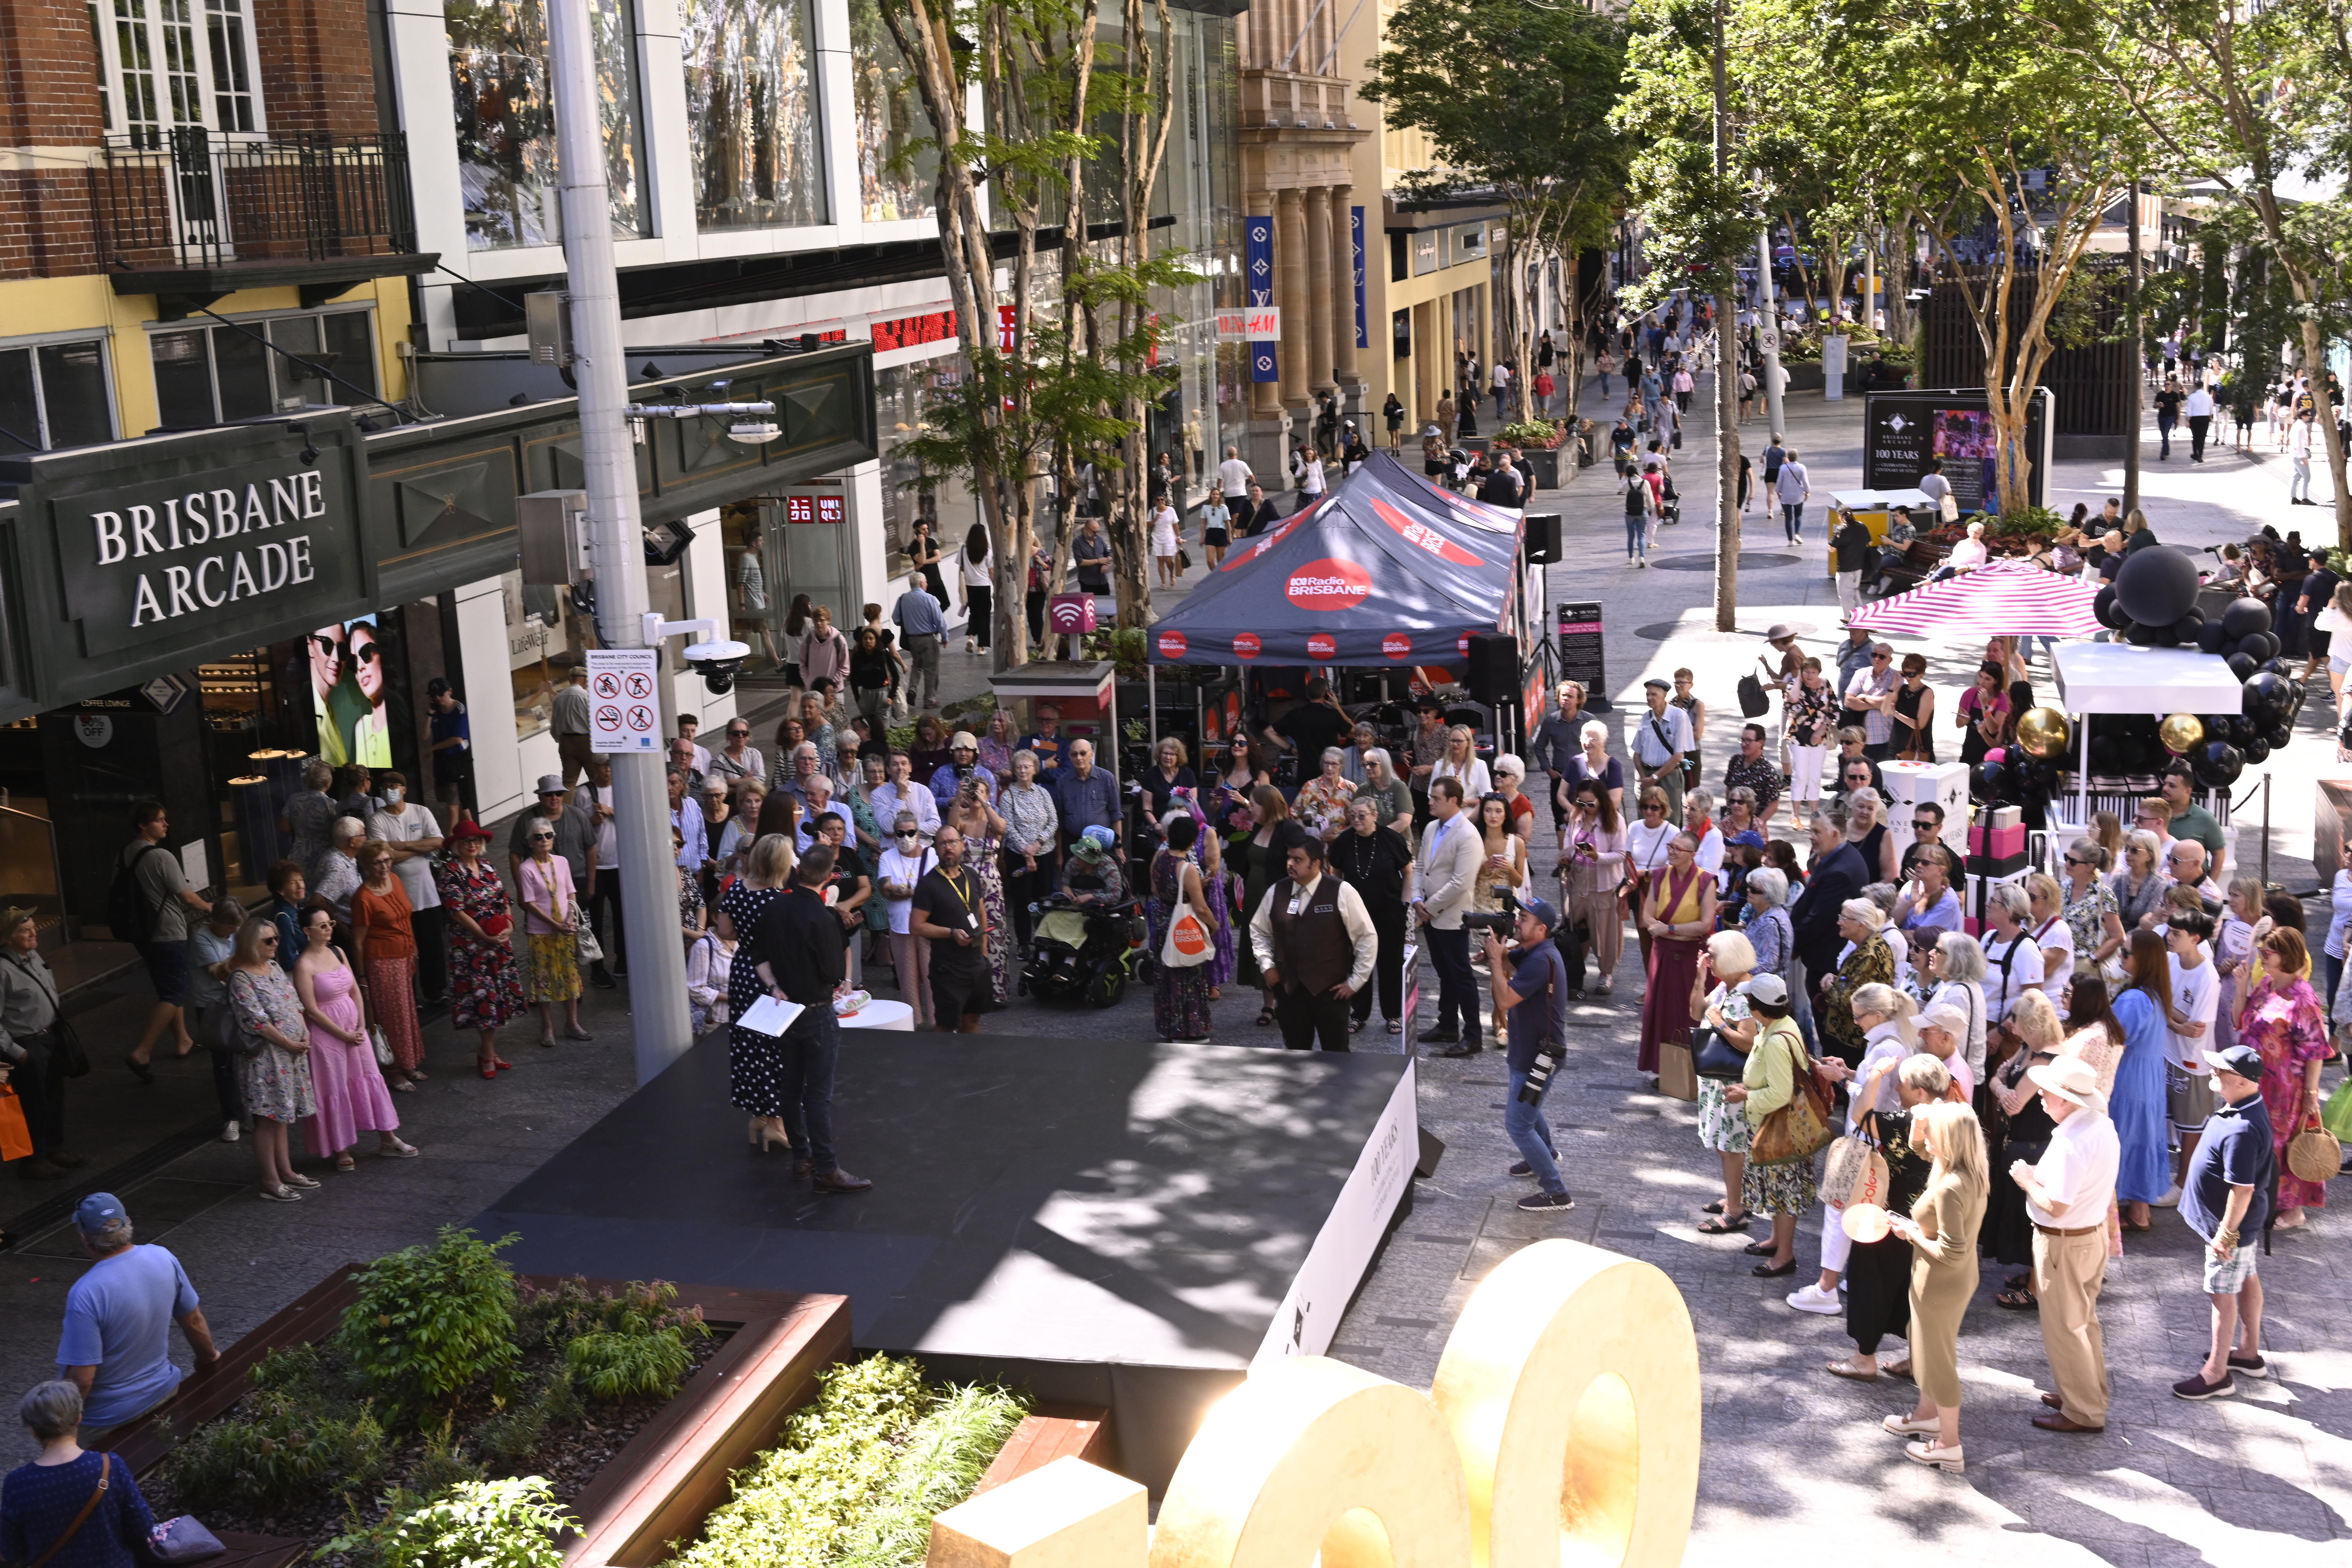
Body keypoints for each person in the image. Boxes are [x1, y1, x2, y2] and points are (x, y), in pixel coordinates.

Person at [2005, 1053, 2122, 1433]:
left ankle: (2083, 1411)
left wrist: (2026, 1179)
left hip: (2064, 1244)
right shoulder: (2100, 1126)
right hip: (2089, 1237)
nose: (2041, 1095)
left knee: (2065, 1327)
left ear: (2069, 1099)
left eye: (2049, 1091)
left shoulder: (2074, 1140)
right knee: (2084, 1323)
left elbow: (2055, 1205)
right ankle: (2084, 1393)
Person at [749, 846, 870, 1192]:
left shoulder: (775, 907)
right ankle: (827, 1168)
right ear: (831, 876)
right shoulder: (823, 917)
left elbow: (757, 953)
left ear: (799, 870)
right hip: (816, 1013)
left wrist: (774, 986)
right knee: (817, 1095)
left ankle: (802, 1157)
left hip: (784, 1011)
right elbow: (833, 972)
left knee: (791, 1087)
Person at [48, 1192, 218, 1432]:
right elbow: (194, 1320)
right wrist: (209, 1358)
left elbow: (82, 1380)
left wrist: (62, 1432)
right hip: (165, 1390)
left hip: (108, 1418)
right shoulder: (162, 1257)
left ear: (84, 1237)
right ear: (127, 1222)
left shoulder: (87, 1292)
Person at [1883, 1100, 1987, 1471]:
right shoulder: (1970, 1172)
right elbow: (1918, 1149)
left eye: (1933, 1133)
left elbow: (1951, 1251)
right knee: (1925, 1343)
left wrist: (1910, 1233)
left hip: (1941, 1281)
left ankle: (1949, 1444)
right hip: (1954, 1280)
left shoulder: (1949, 1187)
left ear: (1951, 1139)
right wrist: (1920, 1121)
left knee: (1937, 1360)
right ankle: (1927, 1415)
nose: (1927, 1139)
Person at [2173, 1042, 2274, 1398]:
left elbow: (2242, 1189)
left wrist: (2225, 1236)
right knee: (2246, 1278)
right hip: (2235, 1225)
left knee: (2221, 1291)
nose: (2213, 1071)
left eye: (2221, 1069)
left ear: (2244, 1081)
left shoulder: (2243, 1128)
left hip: (2230, 1227)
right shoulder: (2242, 1108)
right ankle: (2248, 1354)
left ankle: (2216, 1373)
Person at [289, 903, 415, 1171]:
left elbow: (355, 990)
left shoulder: (338, 951)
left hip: (353, 1030)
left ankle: (388, 1138)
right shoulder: (304, 964)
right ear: (307, 931)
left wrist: (360, 1024)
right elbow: (310, 1009)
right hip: (328, 1035)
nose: (329, 930)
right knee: (334, 1087)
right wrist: (343, 1035)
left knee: (369, 1077)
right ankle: (341, 1148)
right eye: (322, 926)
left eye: (331, 924)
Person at [4, 1379, 166, 1567]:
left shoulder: (18, 1483)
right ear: (79, 1418)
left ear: (33, 1431)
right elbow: (142, 1527)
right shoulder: (111, 1466)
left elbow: (9, 1550)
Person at [2235, 927, 2329, 1226]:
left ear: (2286, 956)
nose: (2262, 958)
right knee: (2260, 1143)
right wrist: (2240, 988)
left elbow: (2316, 1051)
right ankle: (2262, 1200)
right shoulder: (2266, 984)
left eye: (2267, 953)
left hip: (2285, 1090)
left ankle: (2293, 1209)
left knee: (2283, 1147)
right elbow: (2241, 1020)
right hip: (2256, 1083)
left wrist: (2311, 1096)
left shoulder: (2304, 998)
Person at [1249, 836, 1378, 1053]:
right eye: (1289, 858)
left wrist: (1356, 982)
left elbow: (1367, 937)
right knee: (1296, 1055)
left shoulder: (1342, 891)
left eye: (1298, 859)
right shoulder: (1276, 891)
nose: (1290, 864)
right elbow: (1259, 930)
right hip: (1289, 991)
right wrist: (1267, 965)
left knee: (1337, 1056)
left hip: (1331, 993)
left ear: (1316, 864)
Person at [1722, 974, 1813, 1275]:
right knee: (1778, 1189)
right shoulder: (1784, 1025)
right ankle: (1776, 1240)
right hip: (1780, 1125)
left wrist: (1744, 1094)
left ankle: (1784, 1256)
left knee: (1784, 1193)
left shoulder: (1775, 1040)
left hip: (1782, 1129)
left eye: (1750, 1002)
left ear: (1759, 1008)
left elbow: (1780, 1093)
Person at [117, 801, 212, 1079]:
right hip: (168, 932)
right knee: (175, 992)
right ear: (143, 825)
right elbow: (187, 897)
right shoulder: (162, 857)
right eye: (159, 820)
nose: (166, 824)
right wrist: (210, 908)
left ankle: (183, 1040)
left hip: (142, 933)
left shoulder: (124, 855)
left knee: (168, 989)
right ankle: (142, 1051)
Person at [225, 915, 317, 1199]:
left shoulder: (274, 968)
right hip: (266, 1059)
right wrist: (288, 1042)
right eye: (269, 940)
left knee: (282, 1114)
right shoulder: (241, 978)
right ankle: (270, 1180)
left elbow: (295, 1002)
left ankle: (286, 1172)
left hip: (290, 1055)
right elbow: (256, 1021)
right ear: (252, 943)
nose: (276, 943)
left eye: (276, 938)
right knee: (267, 1117)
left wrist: (304, 1033)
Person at [1691, 931, 1763, 1236]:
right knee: (1726, 1146)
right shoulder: (1725, 987)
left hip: (1735, 1086)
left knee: (1732, 1147)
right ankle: (1738, 1197)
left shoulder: (1746, 994)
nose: (1708, 958)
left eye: (1713, 954)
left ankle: (1736, 1211)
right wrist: (1700, 976)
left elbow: (1750, 1041)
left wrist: (1720, 1024)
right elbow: (1696, 1012)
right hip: (1719, 1083)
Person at [1330, 797, 1412, 1036]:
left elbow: (1407, 871)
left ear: (1375, 816)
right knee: (1358, 962)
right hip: (1355, 914)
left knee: (1390, 964)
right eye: (1352, 815)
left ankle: (1393, 1015)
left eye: (1362, 815)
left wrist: (1404, 903)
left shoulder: (1390, 839)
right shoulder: (1345, 840)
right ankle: (1358, 1014)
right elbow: (1335, 871)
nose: (1356, 820)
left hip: (1389, 911)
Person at [1414, 779, 1484, 1053]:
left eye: (1436, 798)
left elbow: (1462, 883)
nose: (1430, 801)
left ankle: (1474, 1035)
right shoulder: (1432, 828)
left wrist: (1429, 908)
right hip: (1430, 913)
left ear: (1454, 801)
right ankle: (1447, 1026)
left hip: (1452, 917)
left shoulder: (1468, 835)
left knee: (1461, 976)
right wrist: (1418, 899)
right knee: (1445, 973)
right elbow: (1420, 866)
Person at [349, 843, 423, 1088]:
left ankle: (407, 1064)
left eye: (386, 860)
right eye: (377, 863)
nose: (383, 866)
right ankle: (394, 1071)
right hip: (382, 964)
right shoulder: (363, 898)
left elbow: (406, 918)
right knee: (391, 1017)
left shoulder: (395, 879)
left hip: (403, 958)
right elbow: (358, 942)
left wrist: (413, 950)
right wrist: (362, 978)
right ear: (367, 866)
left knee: (406, 1012)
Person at [910, 825, 995, 1034]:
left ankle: (971, 1063)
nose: (949, 848)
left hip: (976, 964)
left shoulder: (972, 875)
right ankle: (942, 1064)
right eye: (943, 844)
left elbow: (980, 911)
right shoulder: (928, 884)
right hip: (948, 970)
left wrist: (983, 952)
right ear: (936, 849)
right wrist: (951, 933)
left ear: (962, 845)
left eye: (953, 842)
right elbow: (916, 926)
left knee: (973, 1019)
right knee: (946, 1027)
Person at [517, 816, 587, 1047]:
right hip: (541, 933)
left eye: (548, 836)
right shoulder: (526, 868)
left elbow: (571, 892)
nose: (544, 840)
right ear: (530, 842)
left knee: (570, 976)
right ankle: (547, 1027)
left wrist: (568, 919)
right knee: (543, 979)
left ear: (553, 839)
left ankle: (573, 1023)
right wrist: (554, 924)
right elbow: (530, 903)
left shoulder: (562, 862)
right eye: (538, 837)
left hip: (565, 929)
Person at [1557, 781, 1629, 1000]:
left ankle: (1606, 973)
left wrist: (1599, 857)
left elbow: (1621, 854)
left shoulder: (1615, 821)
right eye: (1581, 802)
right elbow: (1569, 840)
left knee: (1605, 931)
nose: (1585, 807)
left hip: (1604, 884)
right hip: (1578, 880)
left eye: (1590, 803)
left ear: (1601, 801)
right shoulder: (1576, 817)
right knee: (1573, 927)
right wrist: (1566, 856)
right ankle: (1574, 972)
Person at [1150, 814, 1217, 1043]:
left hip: (1163, 919)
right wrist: (1214, 925)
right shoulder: (1187, 868)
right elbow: (1201, 907)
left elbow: (1155, 890)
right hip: (1184, 923)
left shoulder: (1160, 858)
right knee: (1189, 974)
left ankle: (1170, 1027)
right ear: (1192, 842)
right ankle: (1189, 1031)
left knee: (1167, 972)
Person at [876, 814, 938, 1028]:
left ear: (918, 834)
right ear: (894, 835)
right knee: (908, 980)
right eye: (901, 833)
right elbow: (886, 888)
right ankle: (914, 1023)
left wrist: (902, 890)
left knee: (933, 978)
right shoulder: (887, 858)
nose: (906, 837)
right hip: (901, 927)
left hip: (929, 927)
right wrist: (916, 892)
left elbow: (939, 889)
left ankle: (938, 1021)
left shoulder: (932, 856)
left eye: (911, 833)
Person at [1630, 678, 1692, 823]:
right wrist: (1644, 777)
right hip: (1645, 776)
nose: (1650, 698)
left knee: (1670, 819)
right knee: (1644, 819)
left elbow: (1678, 756)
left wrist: (1655, 778)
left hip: (1668, 777)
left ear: (1664, 696)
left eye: (1654, 695)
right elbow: (1636, 754)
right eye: (1648, 695)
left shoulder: (1679, 717)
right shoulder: (1646, 717)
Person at [1052, 738, 1120, 861]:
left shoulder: (1107, 778)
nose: (1079, 758)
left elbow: (1116, 814)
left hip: (1101, 844)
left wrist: (1119, 847)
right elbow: (1059, 821)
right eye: (1074, 754)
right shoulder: (1063, 782)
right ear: (1069, 756)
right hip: (1072, 843)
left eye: (1083, 753)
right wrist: (1059, 855)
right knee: (1074, 879)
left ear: (1091, 754)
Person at [892, 570, 948, 712]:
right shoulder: (929, 598)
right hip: (928, 639)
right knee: (931, 670)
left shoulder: (903, 599)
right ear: (922, 583)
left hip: (912, 641)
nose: (927, 584)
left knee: (917, 665)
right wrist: (945, 637)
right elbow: (940, 620)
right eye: (926, 582)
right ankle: (929, 700)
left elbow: (896, 619)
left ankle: (912, 689)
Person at [1832, 508, 1873, 620]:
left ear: (1840, 516)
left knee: (1846, 595)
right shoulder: (1862, 526)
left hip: (1845, 568)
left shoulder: (1841, 529)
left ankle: (1849, 619)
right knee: (1855, 592)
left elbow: (1832, 548)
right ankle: (1861, 616)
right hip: (1859, 566)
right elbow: (1870, 542)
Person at [1775, 446, 1811, 543]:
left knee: (1788, 518)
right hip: (1798, 495)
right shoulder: (1802, 468)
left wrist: (1778, 491)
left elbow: (1779, 482)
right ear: (1797, 457)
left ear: (1788, 458)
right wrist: (1807, 491)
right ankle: (1797, 534)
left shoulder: (1783, 468)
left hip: (1786, 495)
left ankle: (1790, 541)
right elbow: (1805, 482)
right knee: (1798, 515)